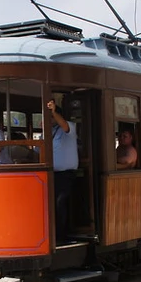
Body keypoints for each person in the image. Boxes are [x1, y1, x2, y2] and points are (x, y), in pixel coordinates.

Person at [48, 99, 78, 242]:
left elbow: (63, 124)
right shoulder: (47, 133)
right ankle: (53, 234)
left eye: (51, 116)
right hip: (50, 174)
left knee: (60, 202)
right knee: (51, 204)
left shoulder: (69, 128)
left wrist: (54, 111)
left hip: (66, 174)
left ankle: (62, 235)